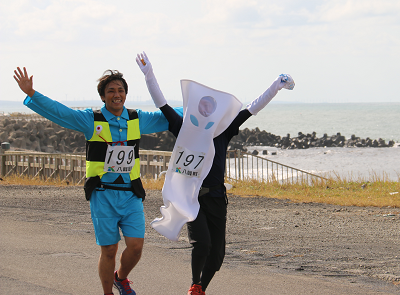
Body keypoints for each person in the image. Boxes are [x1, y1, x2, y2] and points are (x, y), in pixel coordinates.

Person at [135, 52, 294, 295]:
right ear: (196, 110)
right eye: (202, 107)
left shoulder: (224, 131)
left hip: (218, 198)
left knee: (218, 256)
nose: (206, 111)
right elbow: (162, 104)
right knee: (203, 244)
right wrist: (149, 74)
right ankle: (194, 284)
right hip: (192, 198)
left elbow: (253, 108)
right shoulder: (184, 129)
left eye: (210, 108)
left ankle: (200, 288)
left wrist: (276, 85)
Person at [13, 67, 180, 295]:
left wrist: (207, 108)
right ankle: (107, 292)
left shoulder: (137, 118)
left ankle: (120, 278)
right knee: (109, 250)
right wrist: (32, 93)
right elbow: (61, 112)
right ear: (103, 96)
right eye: (111, 91)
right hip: (102, 194)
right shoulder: (92, 120)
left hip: (131, 194)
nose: (116, 94)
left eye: (120, 90)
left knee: (136, 247)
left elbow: (173, 115)